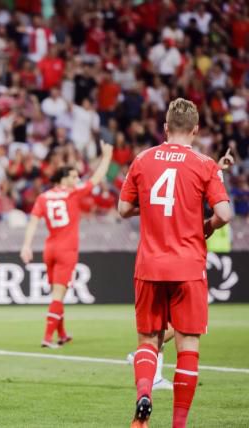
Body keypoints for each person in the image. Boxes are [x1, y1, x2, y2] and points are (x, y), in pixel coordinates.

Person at [118, 98, 233, 428]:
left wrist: (151, 209)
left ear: (165, 128)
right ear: (196, 129)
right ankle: (179, 424)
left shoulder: (142, 160)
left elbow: (123, 209)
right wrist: (206, 225)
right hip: (188, 266)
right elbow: (224, 214)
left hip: (149, 265)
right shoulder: (204, 163)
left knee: (148, 340)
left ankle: (143, 398)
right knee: (188, 345)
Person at [20, 141, 113, 348]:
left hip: (49, 248)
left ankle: (61, 334)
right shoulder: (73, 193)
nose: (77, 180)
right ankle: (47, 337)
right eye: (74, 176)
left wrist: (26, 245)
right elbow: (96, 179)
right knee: (58, 296)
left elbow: (33, 222)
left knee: (56, 293)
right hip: (66, 249)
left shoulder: (43, 197)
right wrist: (106, 157)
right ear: (64, 179)